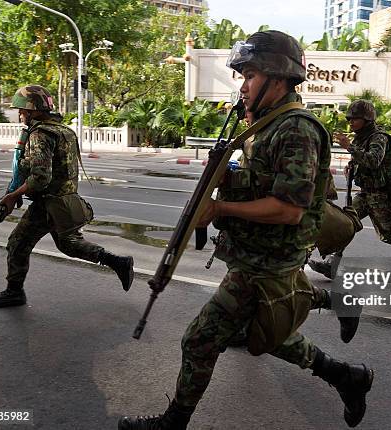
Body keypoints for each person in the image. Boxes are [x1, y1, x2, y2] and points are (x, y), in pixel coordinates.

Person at [118, 31, 373, 430]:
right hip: (256, 255)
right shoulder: (267, 126)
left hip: (267, 263)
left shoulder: (296, 129)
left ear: (278, 76)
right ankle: (348, 374)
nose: (243, 85)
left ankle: (173, 423)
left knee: (201, 339)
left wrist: (220, 207)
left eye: (250, 75)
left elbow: (289, 209)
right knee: (265, 335)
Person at [0, 85, 134, 308]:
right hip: (65, 202)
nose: (19, 114)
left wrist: (12, 195)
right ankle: (118, 262)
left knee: (17, 243)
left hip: (48, 204)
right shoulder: (64, 131)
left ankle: (14, 292)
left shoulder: (39, 134)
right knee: (69, 245)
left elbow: (40, 178)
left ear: (33, 110)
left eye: (22, 110)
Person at [309, 99, 391, 279]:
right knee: (345, 224)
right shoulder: (361, 137)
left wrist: (349, 147)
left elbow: (373, 160)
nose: (351, 122)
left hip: (381, 194)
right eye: (349, 119)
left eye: (355, 119)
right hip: (365, 193)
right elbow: (361, 161)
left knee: (390, 236)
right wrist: (351, 167)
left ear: (367, 119)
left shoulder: (379, 137)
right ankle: (332, 263)